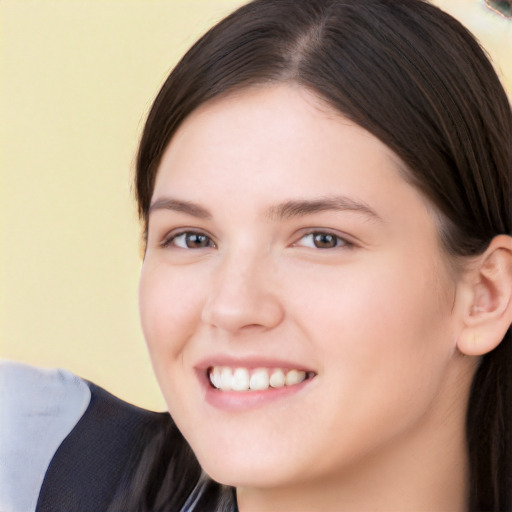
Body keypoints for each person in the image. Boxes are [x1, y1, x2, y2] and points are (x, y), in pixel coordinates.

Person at [1, 0, 510, 511]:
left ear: (486, 295)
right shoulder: (33, 461)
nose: (232, 306)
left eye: (322, 239)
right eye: (192, 238)